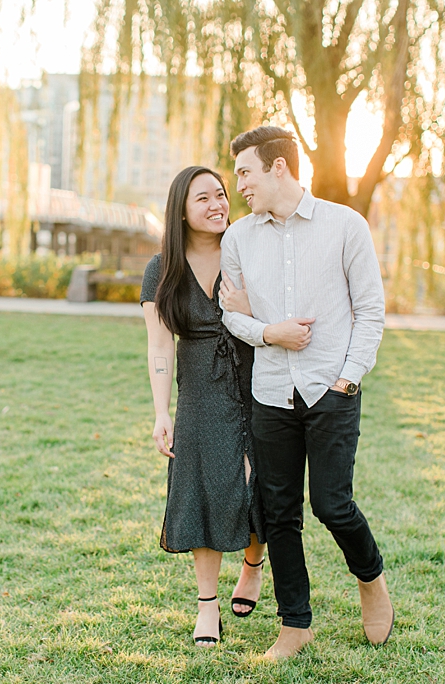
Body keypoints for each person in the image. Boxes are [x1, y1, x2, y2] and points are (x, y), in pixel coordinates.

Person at [218, 126, 393, 659]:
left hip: (331, 388)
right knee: (278, 512)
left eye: (246, 171)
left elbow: (370, 311)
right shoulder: (239, 239)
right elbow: (231, 314)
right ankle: (295, 624)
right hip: (270, 391)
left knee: (333, 504)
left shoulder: (345, 225)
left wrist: (348, 377)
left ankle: (371, 582)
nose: (239, 184)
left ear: (278, 167)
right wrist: (270, 332)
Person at [140, 166, 276, 648]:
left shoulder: (248, 251)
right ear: (181, 210)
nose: (219, 203)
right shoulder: (162, 270)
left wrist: (251, 308)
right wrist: (162, 412)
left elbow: (281, 314)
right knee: (203, 491)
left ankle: (254, 567)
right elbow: (159, 346)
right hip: (199, 393)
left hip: (259, 383)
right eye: (204, 198)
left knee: (260, 483)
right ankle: (206, 608)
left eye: (222, 195)